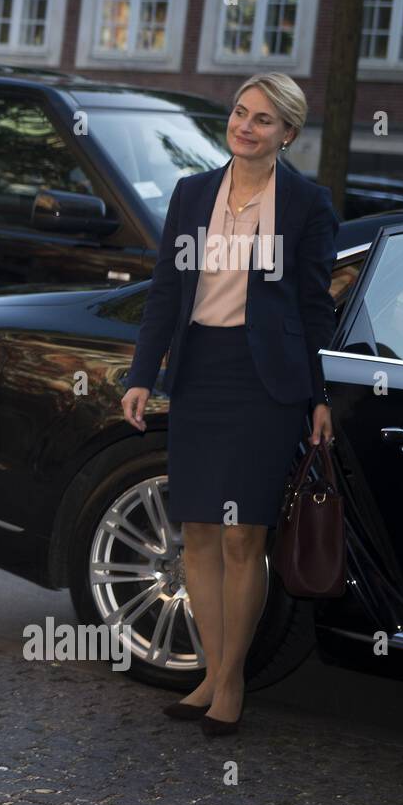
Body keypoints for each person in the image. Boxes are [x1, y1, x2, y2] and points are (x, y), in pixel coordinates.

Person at [121, 72, 339, 737]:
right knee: (199, 534)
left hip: (265, 383)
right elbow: (165, 292)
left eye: (263, 120)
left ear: (288, 134)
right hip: (199, 375)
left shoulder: (307, 205)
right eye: (240, 113)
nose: (245, 126)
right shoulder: (191, 194)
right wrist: (140, 374)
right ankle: (212, 673)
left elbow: (313, 307)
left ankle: (232, 680)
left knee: (244, 535)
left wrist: (319, 395)